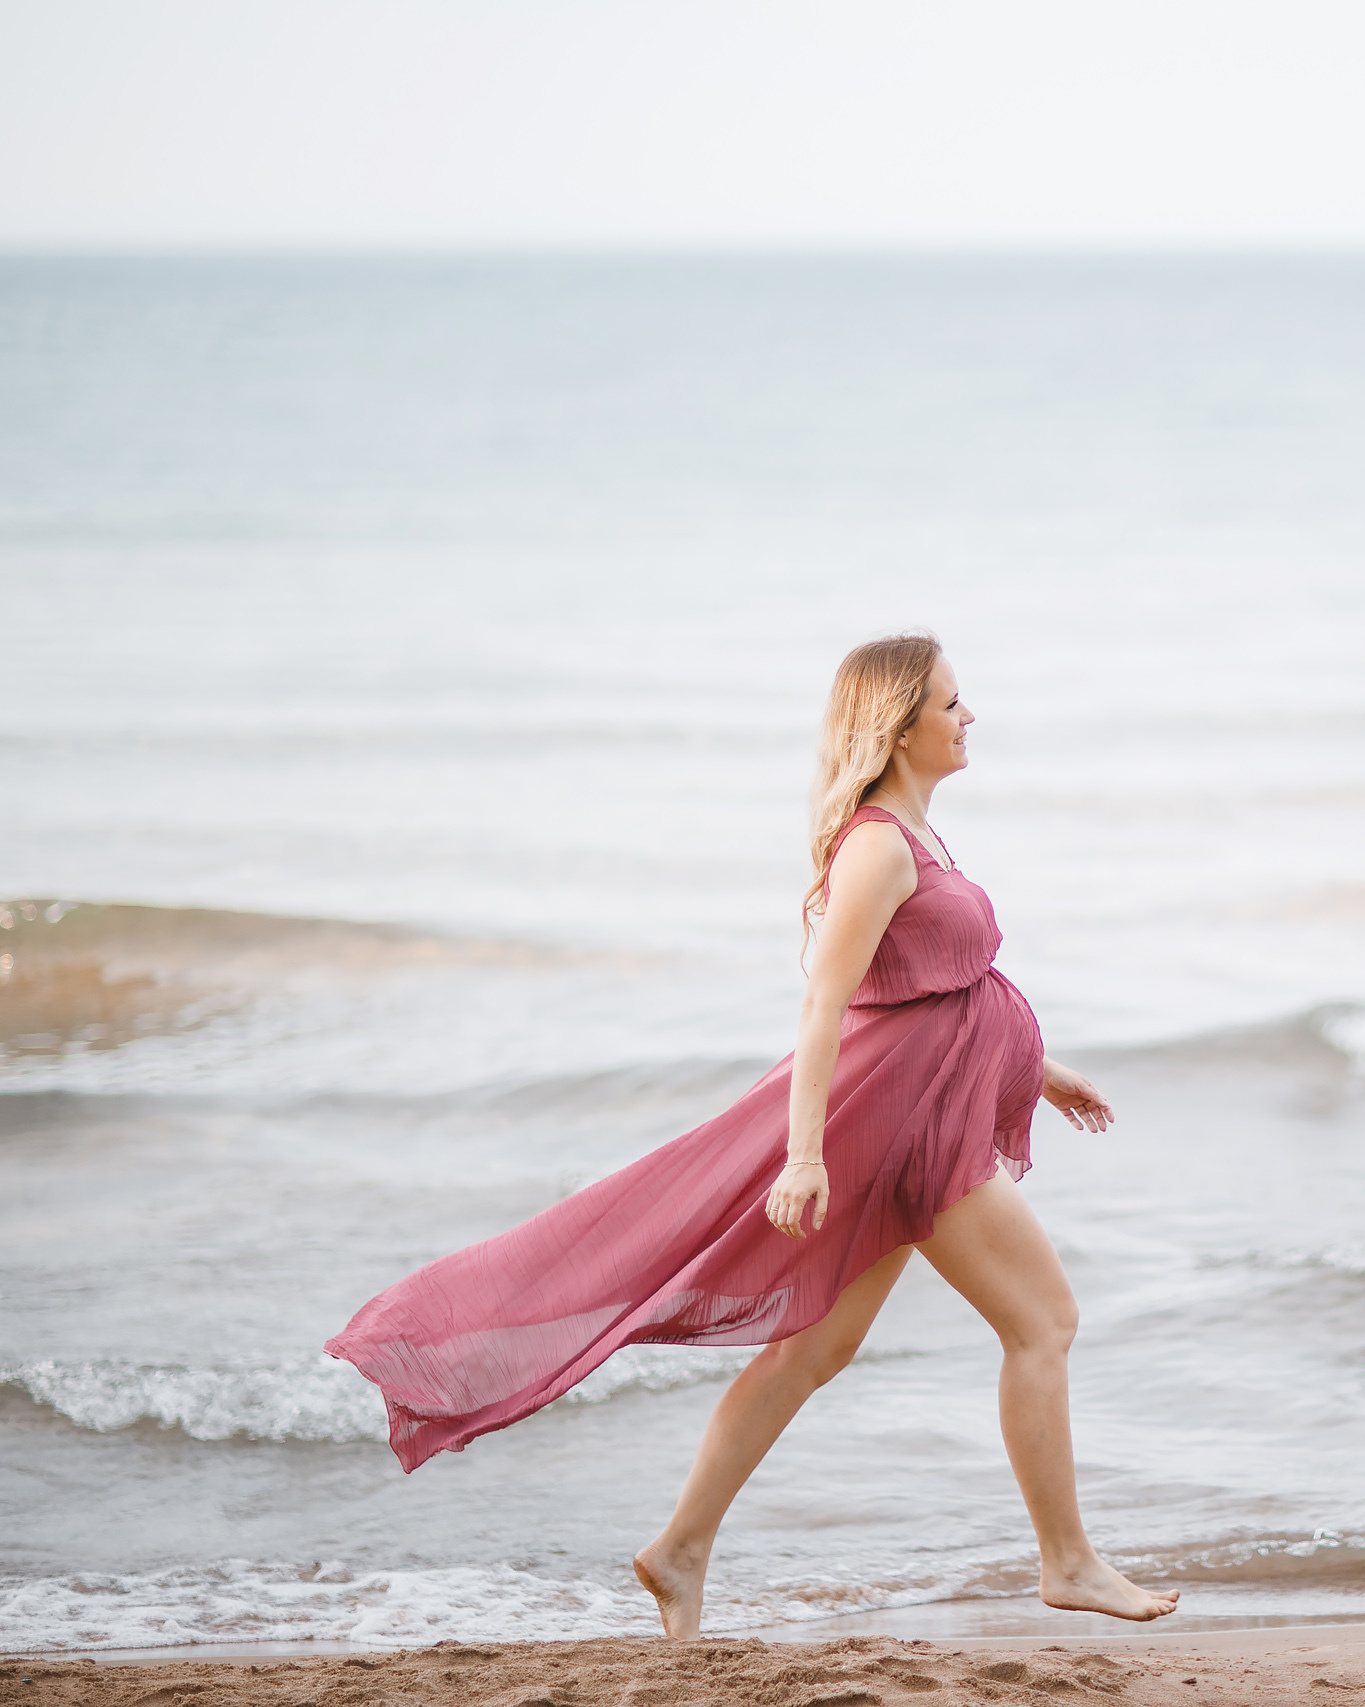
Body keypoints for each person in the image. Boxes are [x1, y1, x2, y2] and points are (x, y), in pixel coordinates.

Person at [328, 633, 1179, 1636]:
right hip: (900, 1139)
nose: (969, 717)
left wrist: (1038, 1070)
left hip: (919, 1122)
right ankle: (1068, 1561)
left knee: (808, 1355)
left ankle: (678, 1550)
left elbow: (935, 999)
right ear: (899, 727)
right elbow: (827, 1010)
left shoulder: (919, 835)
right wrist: (807, 1155)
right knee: (1042, 1323)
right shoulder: (877, 847)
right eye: (952, 704)